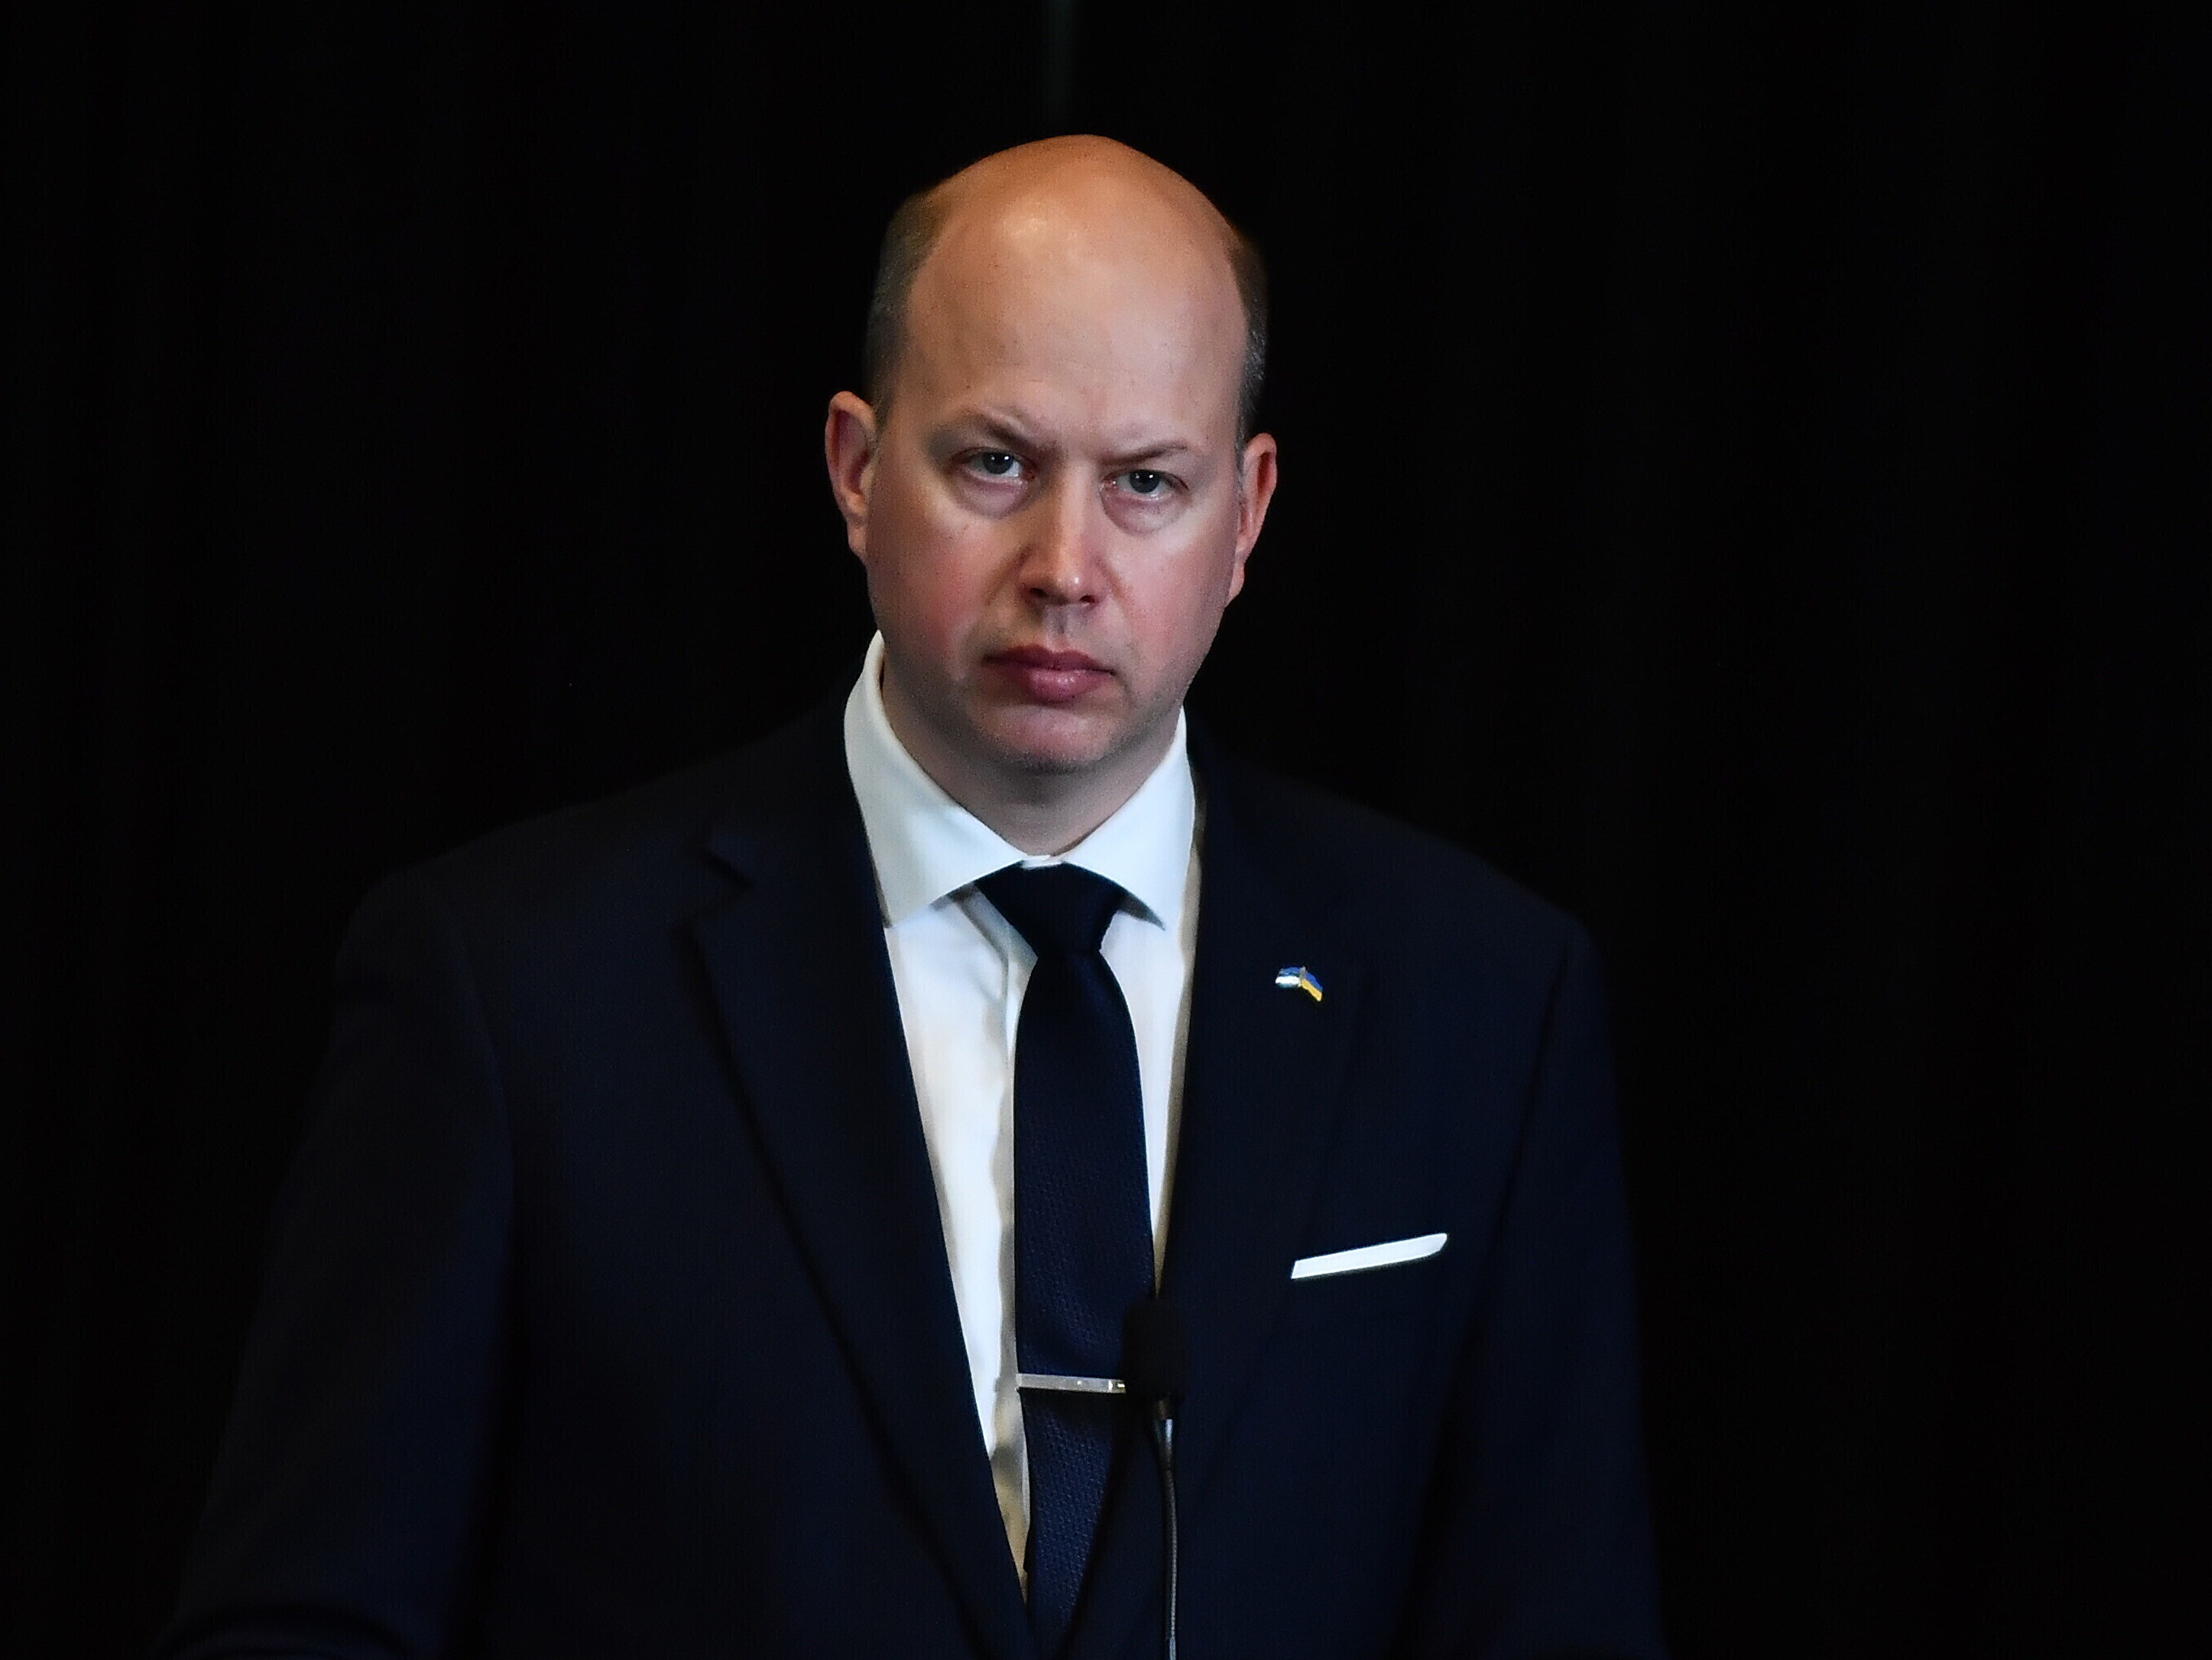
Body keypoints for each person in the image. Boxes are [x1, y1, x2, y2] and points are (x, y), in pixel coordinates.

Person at [159, 136, 1665, 1660]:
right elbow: (307, 1619)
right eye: (995, 464)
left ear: (1248, 513)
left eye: (1147, 484)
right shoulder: (514, 988)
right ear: (858, 471)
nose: (1065, 566)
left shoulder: (1486, 1004)